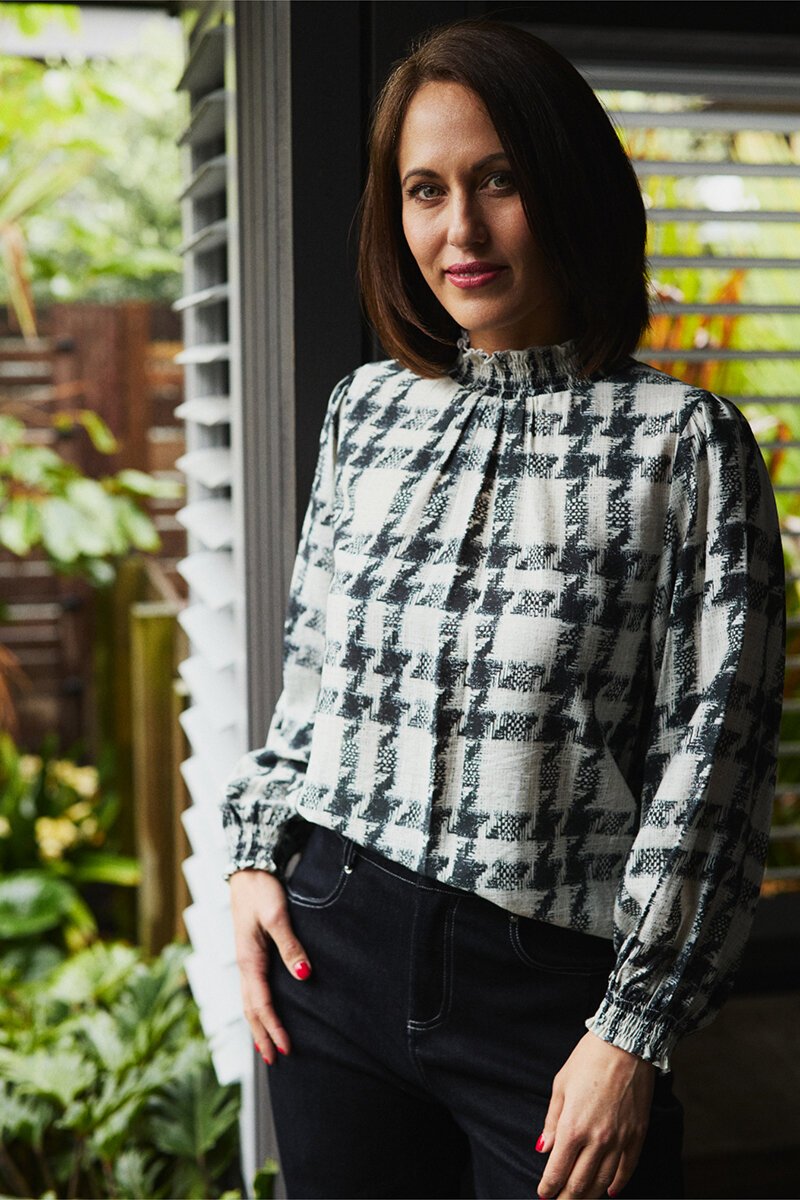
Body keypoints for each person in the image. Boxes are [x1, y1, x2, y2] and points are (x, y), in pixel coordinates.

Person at [221, 19, 785, 1200]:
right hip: (331, 956)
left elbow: (714, 771)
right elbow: (311, 682)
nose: (459, 232)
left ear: (568, 190)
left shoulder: (684, 446)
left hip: (549, 1000)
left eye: (499, 181)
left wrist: (631, 1031)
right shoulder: (363, 412)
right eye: (424, 190)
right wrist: (251, 861)